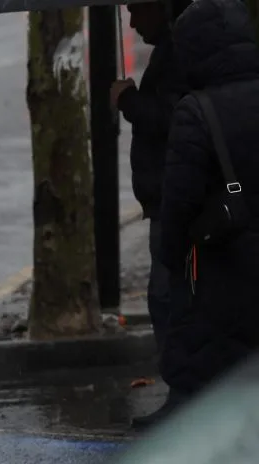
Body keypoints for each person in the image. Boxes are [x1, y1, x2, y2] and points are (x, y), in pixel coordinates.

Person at [147, 0, 259, 427]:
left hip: (222, 272)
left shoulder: (197, 111)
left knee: (224, 391)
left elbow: (179, 203)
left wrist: (176, 263)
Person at [111, 0, 191, 370]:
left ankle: (182, 394)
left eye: (136, 10)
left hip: (174, 198)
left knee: (167, 298)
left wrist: (127, 100)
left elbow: (173, 120)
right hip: (166, 198)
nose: (130, 21)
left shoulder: (178, 53)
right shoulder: (169, 49)